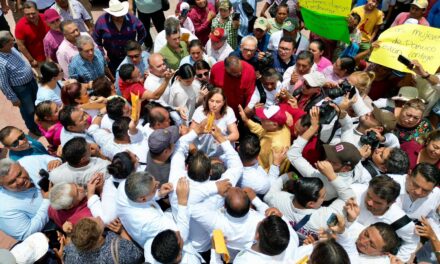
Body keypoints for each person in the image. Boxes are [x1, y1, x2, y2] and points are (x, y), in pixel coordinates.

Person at [288, 107, 363, 201]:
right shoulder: (353, 154)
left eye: (332, 161)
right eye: (330, 154)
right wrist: (342, 114)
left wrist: (312, 128)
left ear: (345, 168)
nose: (326, 161)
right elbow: (347, 127)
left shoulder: (323, 182)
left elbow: (293, 154)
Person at [116, 172, 190, 263]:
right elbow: (181, 236)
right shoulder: (148, 220)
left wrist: (158, 194)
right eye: (155, 187)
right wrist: (182, 201)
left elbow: (144, 198)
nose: (158, 183)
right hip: (160, 245)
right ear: (143, 199)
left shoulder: (124, 186)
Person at [354, 175, 420, 262]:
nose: (370, 203)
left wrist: (397, 260)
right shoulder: (353, 192)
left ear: (392, 203)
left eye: (377, 202)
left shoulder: (401, 221)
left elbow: (412, 242)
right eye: (369, 196)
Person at [0, 157, 57, 240]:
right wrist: (47, 202)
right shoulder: (4, 209)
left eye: (19, 174)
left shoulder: (28, 161)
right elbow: (26, 233)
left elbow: (49, 159)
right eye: (12, 182)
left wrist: (55, 162)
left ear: (21, 166)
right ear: (1, 185)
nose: (20, 181)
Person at [0, 31, 40, 135]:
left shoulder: (12, 49)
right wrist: (13, 98)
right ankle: (33, 128)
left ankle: (40, 122)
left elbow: (22, 62)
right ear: (2, 46)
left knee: (38, 103)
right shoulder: (1, 62)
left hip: (30, 81)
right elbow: (3, 83)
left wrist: (31, 73)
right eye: (10, 41)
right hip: (21, 89)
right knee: (29, 110)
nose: (13, 41)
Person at [93, 0, 147, 74]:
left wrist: (136, 46)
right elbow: (96, 39)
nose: (120, 18)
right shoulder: (102, 21)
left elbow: (142, 32)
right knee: (117, 74)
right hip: (112, 57)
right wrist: (102, 54)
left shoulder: (132, 19)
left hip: (130, 56)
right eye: (117, 17)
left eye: (121, 15)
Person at [63, 217, 144, 263]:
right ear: (98, 237)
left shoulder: (70, 252)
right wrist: (122, 231)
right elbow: (138, 253)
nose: (98, 217)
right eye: (97, 221)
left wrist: (68, 234)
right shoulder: (118, 250)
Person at [190, 88, 239, 157]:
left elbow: (235, 134)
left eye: (218, 102)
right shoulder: (200, 111)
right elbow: (190, 134)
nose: (214, 105)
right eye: (211, 101)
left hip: (221, 155)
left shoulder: (228, 112)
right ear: (207, 100)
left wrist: (222, 138)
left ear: (223, 102)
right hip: (201, 153)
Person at [15, 1, 49, 68]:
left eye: (33, 13)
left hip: (52, 54)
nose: (31, 16)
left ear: (37, 11)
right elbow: (21, 45)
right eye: (27, 14)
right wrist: (31, 60)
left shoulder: (45, 18)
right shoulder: (20, 26)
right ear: (23, 14)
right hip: (38, 60)